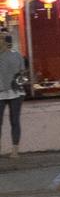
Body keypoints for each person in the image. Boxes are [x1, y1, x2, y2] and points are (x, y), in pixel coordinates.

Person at [0, 28, 25, 158]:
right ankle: (13, 150)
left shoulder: (15, 55)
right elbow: (22, 73)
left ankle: (15, 149)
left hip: (12, 92)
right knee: (12, 121)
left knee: (14, 121)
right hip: (9, 92)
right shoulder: (17, 55)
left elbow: (22, 73)